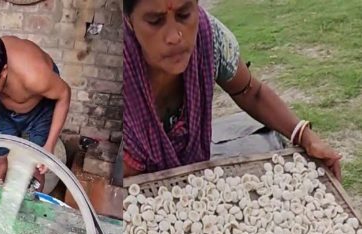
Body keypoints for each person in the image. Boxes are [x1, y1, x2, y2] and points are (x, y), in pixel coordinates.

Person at [123, 0, 342, 177]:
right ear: (129, 21)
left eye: (184, 15)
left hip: (194, 178)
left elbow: (251, 92)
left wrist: (306, 137)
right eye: (155, 20)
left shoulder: (209, 39)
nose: (174, 37)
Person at [0, 31, 71, 188]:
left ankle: (33, 205)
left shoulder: (34, 75)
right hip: (7, 111)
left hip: (40, 110)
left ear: (4, 72)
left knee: (36, 163)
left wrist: (49, 146)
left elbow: (64, 94)